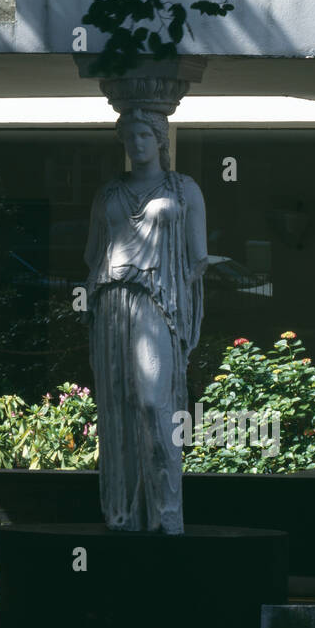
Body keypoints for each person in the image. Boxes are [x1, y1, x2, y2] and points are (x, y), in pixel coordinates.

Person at [84, 106, 207, 533]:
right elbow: (93, 255)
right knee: (117, 407)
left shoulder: (184, 190)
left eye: (144, 135)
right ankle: (126, 515)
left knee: (155, 404)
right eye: (129, 136)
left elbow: (197, 259)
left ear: (160, 140)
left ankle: (166, 517)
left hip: (159, 302)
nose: (136, 144)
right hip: (113, 301)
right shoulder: (108, 194)